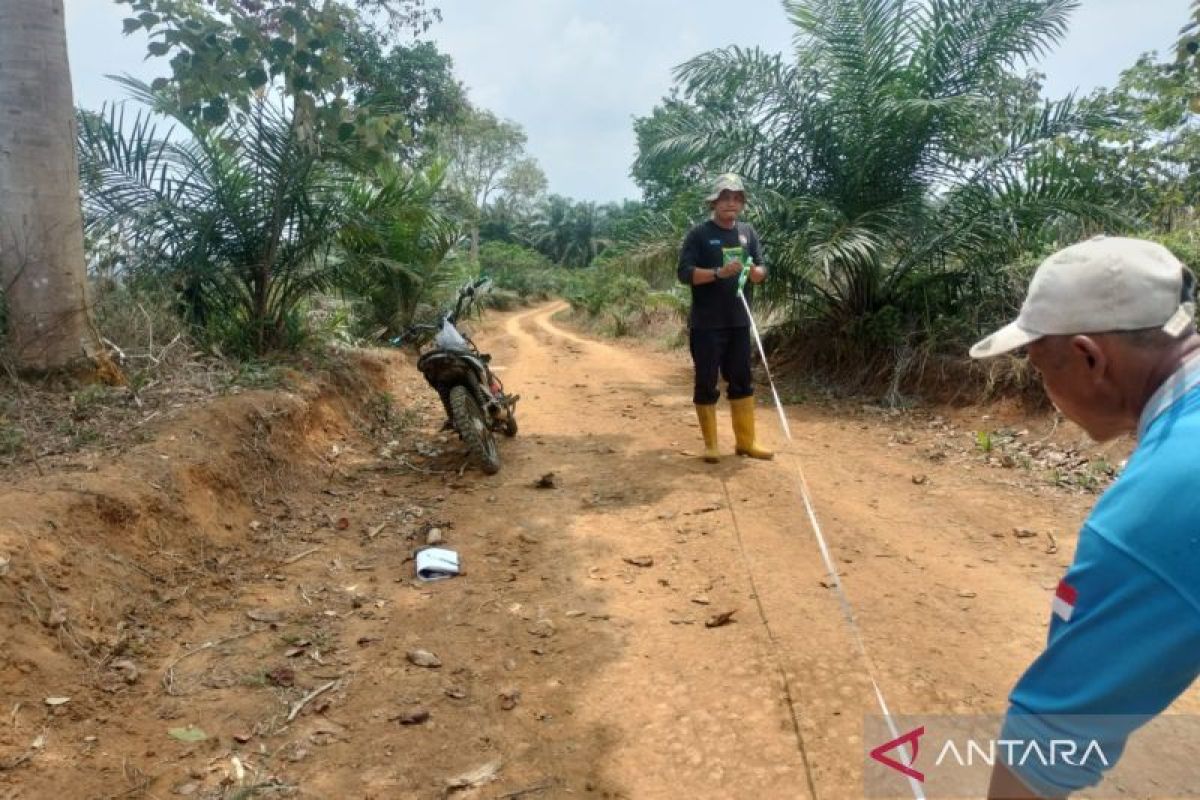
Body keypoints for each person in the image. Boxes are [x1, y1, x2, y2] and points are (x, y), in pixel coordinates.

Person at [969, 236, 1200, 798]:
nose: (1046, 389)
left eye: (1041, 369)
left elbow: (1047, 746)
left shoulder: (1164, 502)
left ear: (1090, 358)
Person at [676, 173, 772, 462]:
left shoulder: (747, 232)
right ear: (714, 202)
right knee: (706, 380)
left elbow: (762, 267)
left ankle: (746, 442)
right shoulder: (699, 234)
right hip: (706, 324)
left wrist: (757, 274)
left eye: (736, 198)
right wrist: (718, 273)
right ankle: (711, 445)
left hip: (740, 321)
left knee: (742, 379)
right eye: (725, 198)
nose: (731, 203)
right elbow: (684, 274)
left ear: (742, 203)